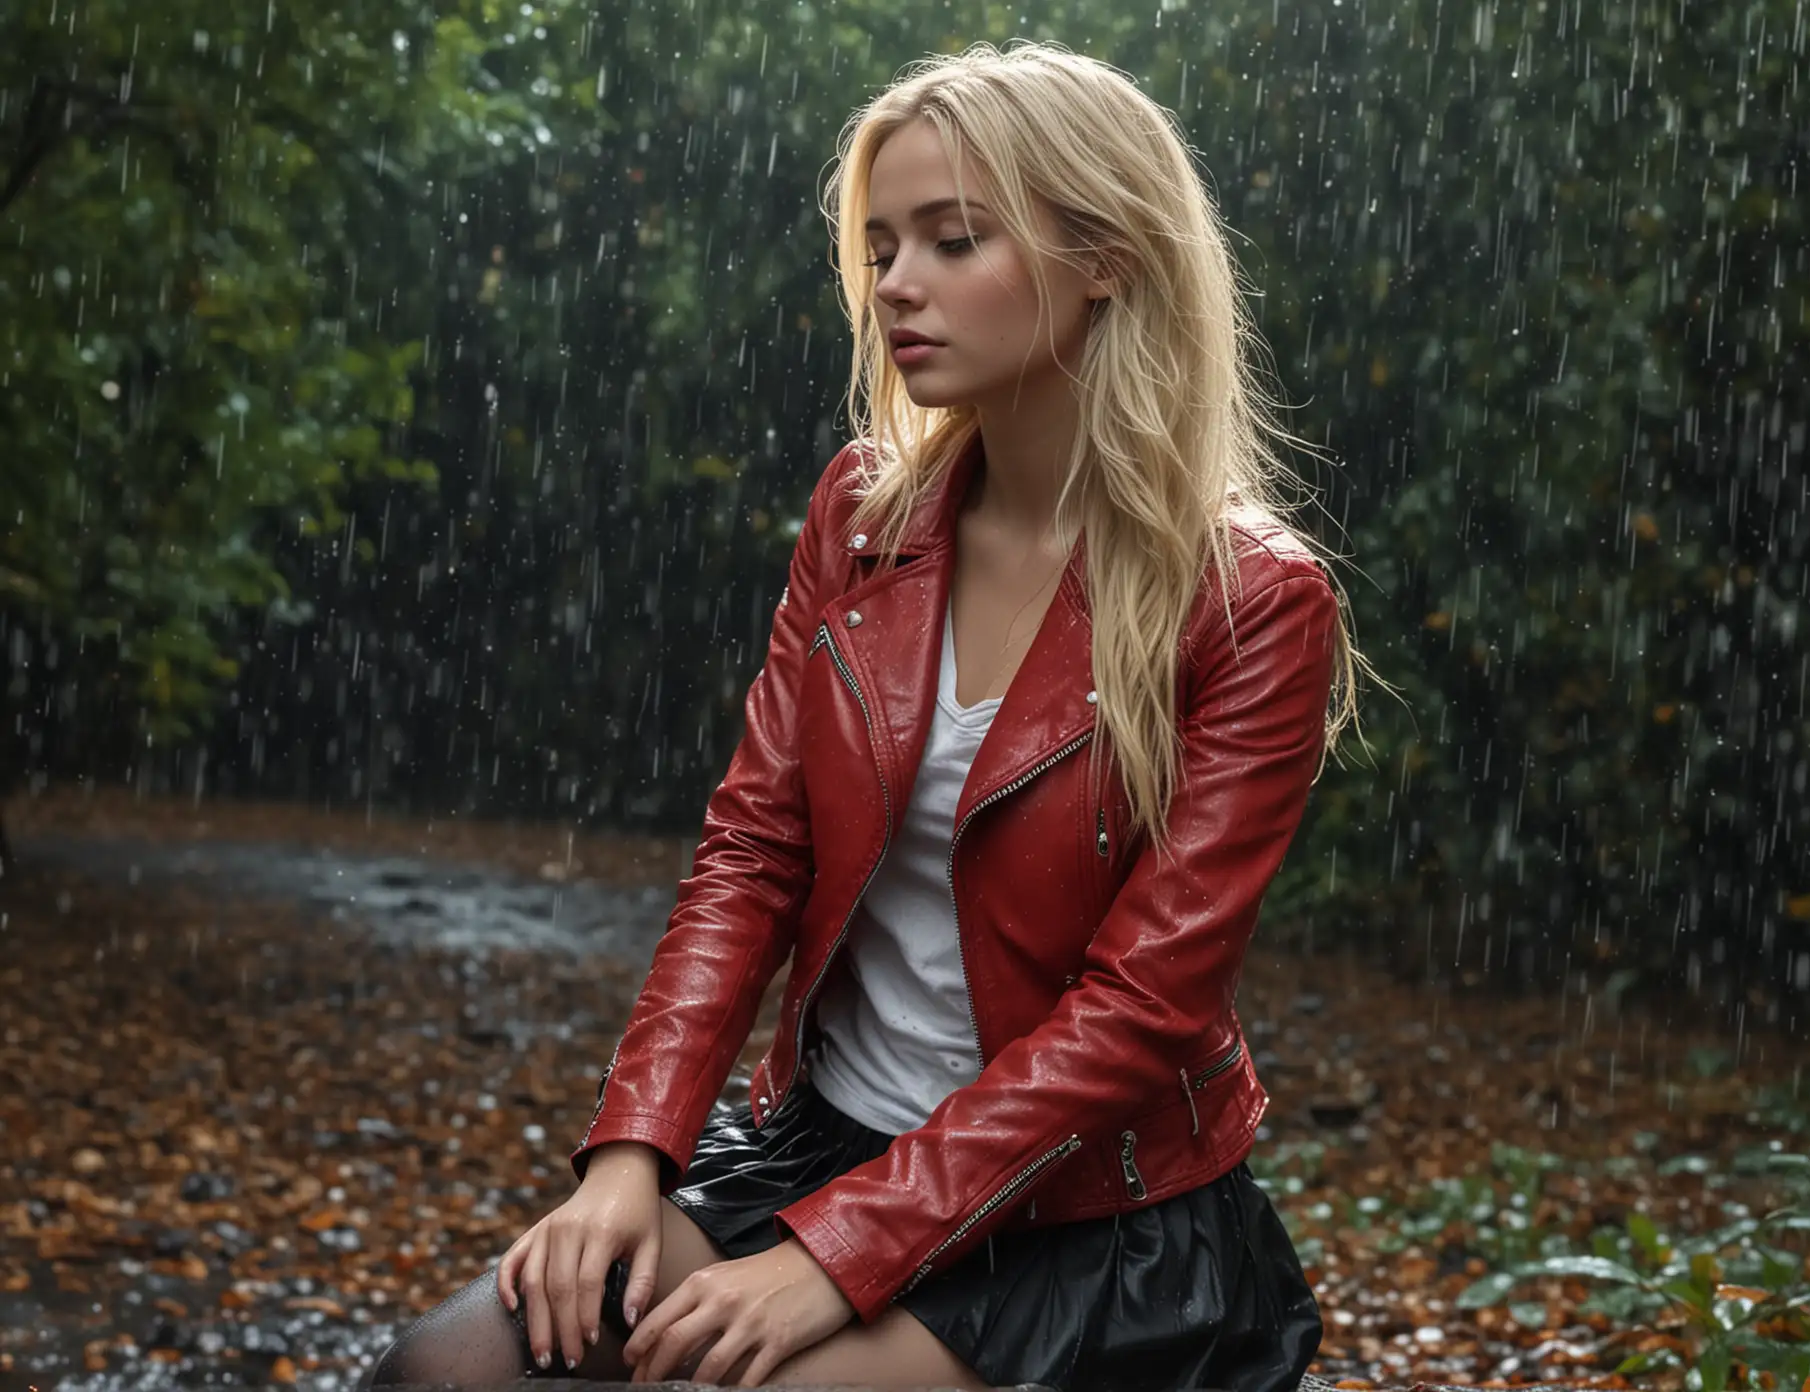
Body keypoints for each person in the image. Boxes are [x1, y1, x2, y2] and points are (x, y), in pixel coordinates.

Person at [366, 38, 1371, 1392]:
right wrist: (629, 1156)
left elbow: (1140, 1012)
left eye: (953, 240)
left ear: (1108, 259)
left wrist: (837, 1259)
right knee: (452, 1370)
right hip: (820, 1143)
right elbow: (752, 853)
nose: (897, 283)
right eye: (885, 245)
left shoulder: (1253, 604)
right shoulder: (864, 516)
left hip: (1081, 1225)